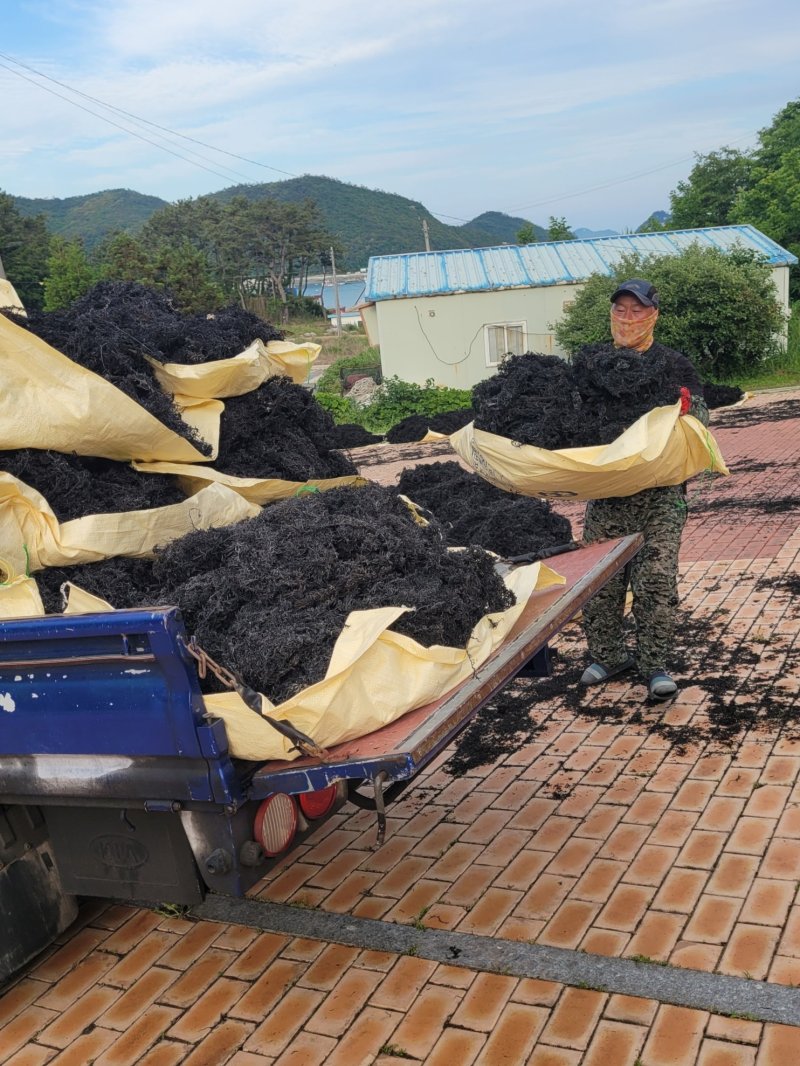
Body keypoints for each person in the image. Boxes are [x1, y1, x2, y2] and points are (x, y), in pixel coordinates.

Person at [579, 278, 709, 701]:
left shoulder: (674, 365)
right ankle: (608, 655)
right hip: (607, 496)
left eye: (637, 311)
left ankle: (655, 663)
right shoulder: (592, 364)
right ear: (611, 314)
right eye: (620, 310)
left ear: (653, 314)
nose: (628, 319)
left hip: (660, 497)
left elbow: (698, 419)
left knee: (654, 579)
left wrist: (688, 408)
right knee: (600, 583)